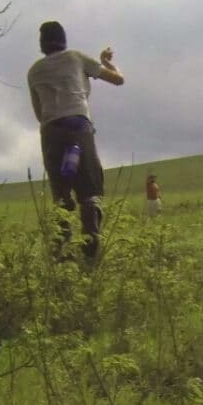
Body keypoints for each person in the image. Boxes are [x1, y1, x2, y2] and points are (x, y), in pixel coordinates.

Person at [27, 21, 123, 260]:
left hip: (50, 130)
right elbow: (118, 80)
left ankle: (61, 253)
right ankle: (90, 251)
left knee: (60, 196)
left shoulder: (34, 71)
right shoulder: (76, 58)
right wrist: (107, 62)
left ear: (42, 44)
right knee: (90, 192)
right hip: (79, 126)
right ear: (64, 39)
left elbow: (38, 112)